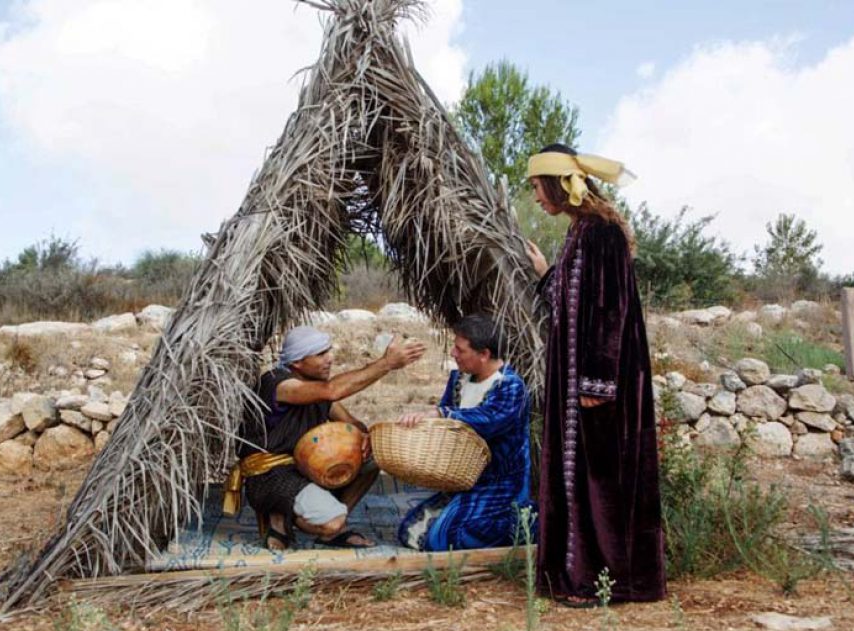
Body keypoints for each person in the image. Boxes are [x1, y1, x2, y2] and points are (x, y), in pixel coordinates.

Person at [523, 143, 666, 605]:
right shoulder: (579, 233)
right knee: (580, 476)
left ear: (558, 183)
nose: (536, 199)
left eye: (537, 188)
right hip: (576, 384)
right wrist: (547, 274)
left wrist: (597, 383)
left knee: (601, 478)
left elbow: (610, 310)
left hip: (598, 386)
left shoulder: (600, 233)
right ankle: (580, 573)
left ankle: (605, 579)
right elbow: (571, 303)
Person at [225, 325, 426, 551]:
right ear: (297, 362)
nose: (330, 359)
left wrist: (365, 437)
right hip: (271, 477)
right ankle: (283, 520)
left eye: (329, 351)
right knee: (332, 522)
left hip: (305, 470)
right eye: (321, 354)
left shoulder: (317, 390)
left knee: (372, 458)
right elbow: (332, 391)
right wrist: (386, 363)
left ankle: (330, 529)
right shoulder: (278, 383)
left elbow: (352, 423)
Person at [395, 315, 535, 551]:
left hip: (499, 482)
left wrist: (442, 414)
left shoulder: (510, 386)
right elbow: (446, 427)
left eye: (460, 349)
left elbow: (489, 419)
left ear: (484, 354)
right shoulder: (459, 380)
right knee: (409, 531)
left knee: (441, 540)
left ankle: (528, 521)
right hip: (464, 479)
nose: (453, 353)